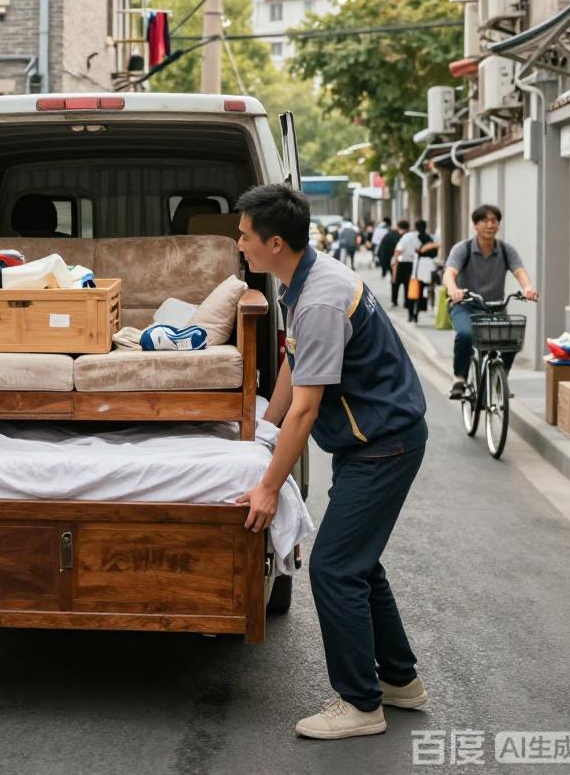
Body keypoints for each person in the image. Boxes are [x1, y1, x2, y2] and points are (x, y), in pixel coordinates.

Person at [235, 184, 428, 740]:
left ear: (275, 242)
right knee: (360, 565)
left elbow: (307, 408)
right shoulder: (306, 280)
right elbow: (294, 372)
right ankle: (400, 682)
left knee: (334, 569)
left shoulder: (317, 299)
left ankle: (360, 704)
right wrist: (260, 434)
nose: (240, 245)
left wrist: (269, 487)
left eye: (246, 236)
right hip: (371, 440)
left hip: (383, 444)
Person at [443, 204, 539, 400]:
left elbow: (519, 271)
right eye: (484, 221)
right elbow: (449, 273)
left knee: (511, 340)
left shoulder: (505, 250)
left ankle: (499, 379)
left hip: (494, 308)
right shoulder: (463, 249)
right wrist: (453, 290)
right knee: (466, 334)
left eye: (494, 221)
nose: (489, 225)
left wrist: (527, 288)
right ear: (475, 225)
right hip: (466, 306)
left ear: (498, 225)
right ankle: (460, 378)